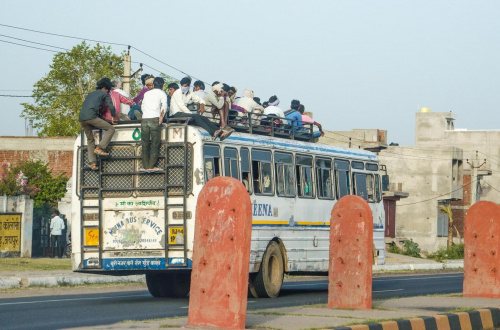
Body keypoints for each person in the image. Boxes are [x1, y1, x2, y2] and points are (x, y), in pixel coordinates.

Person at [168, 83, 233, 140]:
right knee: (196, 116)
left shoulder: (189, 93)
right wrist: (191, 114)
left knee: (204, 118)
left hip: (183, 114)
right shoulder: (177, 93)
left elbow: (199, 99)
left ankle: (220, 132)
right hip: (176, 114)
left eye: (187, 85)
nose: (169, 91)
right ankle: (212, 132)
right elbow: (181, 106)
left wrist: (202, 104)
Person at [79, 78, 116, 170]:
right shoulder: (104, 94)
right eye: (108, 90)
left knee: (90, 139)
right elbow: (111, 106)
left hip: (82, 118)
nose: (108, 92)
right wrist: (113, 116)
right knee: (111, 129)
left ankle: (92, 163)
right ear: (105, 88)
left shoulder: (91, 94)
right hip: (91, 117)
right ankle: (100, 147)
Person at [140, 77, 167, 172]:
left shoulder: (146, 93)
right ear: (162, 85)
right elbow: (164, 106)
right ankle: (151, 166)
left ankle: (145, 166)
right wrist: (161, 117)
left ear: (154, 84)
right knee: (155, 143)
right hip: (155, 119)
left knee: (145, 143)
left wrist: (145, 114)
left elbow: (142, 106)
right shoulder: (162, 93)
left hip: (144, 119)